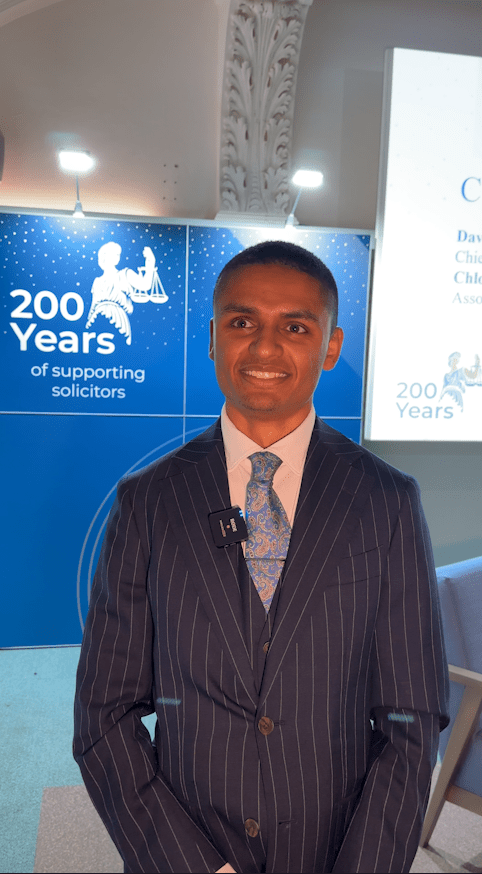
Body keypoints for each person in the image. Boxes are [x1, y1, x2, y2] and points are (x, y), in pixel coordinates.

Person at [74, 240, 449, 874]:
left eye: (295, 326)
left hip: (336, 846)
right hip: (189, 843)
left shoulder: (387, 500)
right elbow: (103, 715)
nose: (266, 348)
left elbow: (412, 716)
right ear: (214, 337)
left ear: (329, 346)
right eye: (242, 322)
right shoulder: (148, 502)